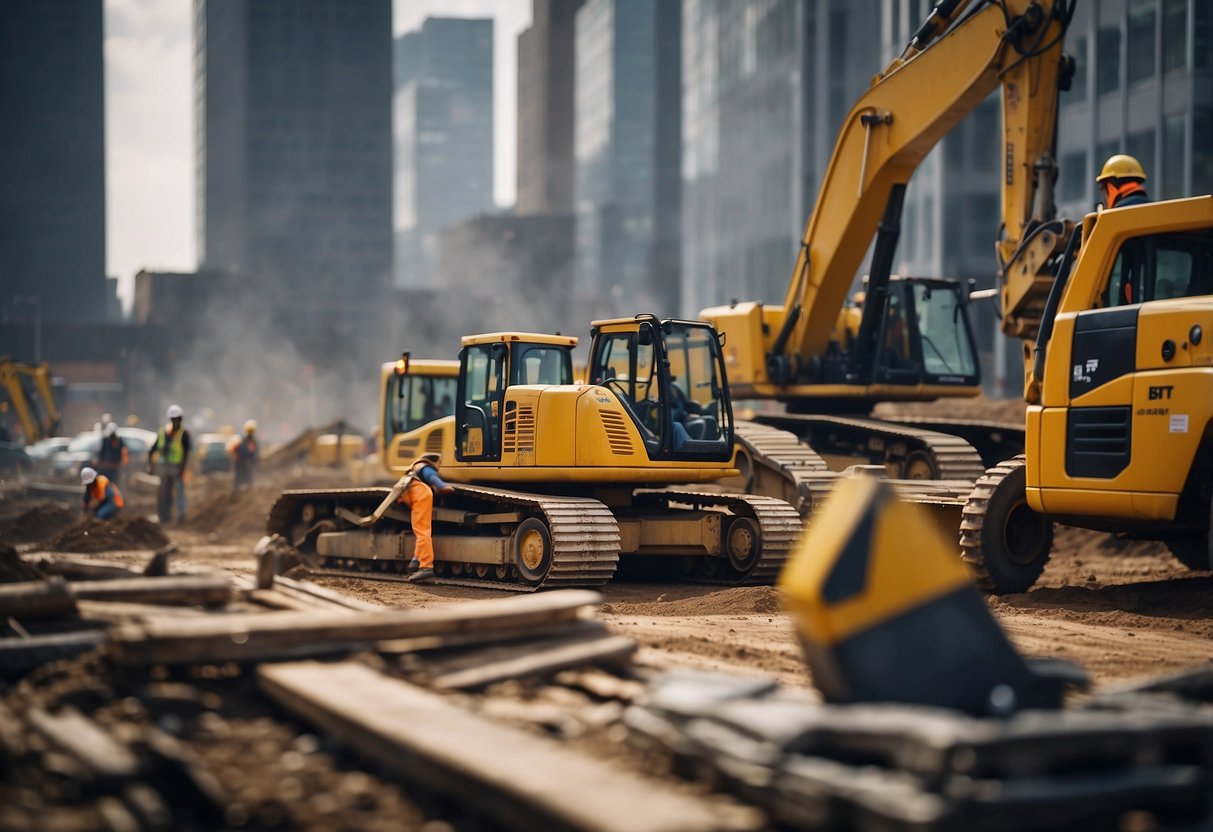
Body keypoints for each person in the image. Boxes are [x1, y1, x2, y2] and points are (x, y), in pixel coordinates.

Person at [397, 452, 455, 583]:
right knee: (420, 530)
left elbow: (431, 476)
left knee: (422, 531)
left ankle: (426, 566)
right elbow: (431, 476)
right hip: (420, 495)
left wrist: (442, 486)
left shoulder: (419, 467)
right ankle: (416, 560)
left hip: (420, 496)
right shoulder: (421, 466)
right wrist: (441, 486)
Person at [149, 404, 191, 524]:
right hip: (163, 467)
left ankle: (181, 516)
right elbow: (152, 449)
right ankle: (164, 516)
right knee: (163, 492)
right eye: (174, 419)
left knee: (179, 492)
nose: (176, 421)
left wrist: (182, 469)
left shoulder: (184, 434)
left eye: (178, 419)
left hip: (177, 467)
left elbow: (186, 453)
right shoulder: (163, 432)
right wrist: (151, 466)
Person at [93, 422, 129, 487]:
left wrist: (120, 463)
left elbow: (123, 453)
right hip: (105, 466)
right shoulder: (105, 440)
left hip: (115, 467)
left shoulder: (119, 441)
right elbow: (101, 452)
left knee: (114, 484)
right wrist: (101, 462)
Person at [231, 419, 259, 495]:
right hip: (243, 464)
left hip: (244, 465)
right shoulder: (248, 441)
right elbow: (252, 454)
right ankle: (236, 495)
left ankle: (241, 495)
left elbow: (253, 454)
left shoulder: (245, 441)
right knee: (241, 481)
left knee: (244, 481)